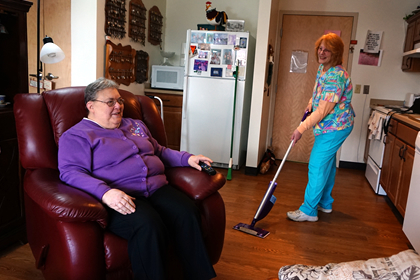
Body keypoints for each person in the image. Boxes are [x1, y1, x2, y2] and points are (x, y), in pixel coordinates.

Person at [58, 77, 216, 279]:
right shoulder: (77, 136)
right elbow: (71, 172)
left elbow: (158, 151)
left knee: (187, 212)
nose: (118, 106)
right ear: (91, 106)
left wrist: (188, 158)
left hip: (156, 188)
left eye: (120, 101)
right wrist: (106, 193)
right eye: (110, 102)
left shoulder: (135, 124)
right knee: (148, 225)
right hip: (121, 195)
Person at [287, 33, 355, 222]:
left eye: (327, 49)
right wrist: (310, 103)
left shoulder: (336, 76)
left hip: (335, 127)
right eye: (320, 48)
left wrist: (301, 128)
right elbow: (318, 92)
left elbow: (324, 109)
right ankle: (325, 203)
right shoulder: (323, 69)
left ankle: (309, 210)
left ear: (336, 53)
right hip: (330, 125)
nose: (322, 52)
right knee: (327, 166)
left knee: (316, 166)